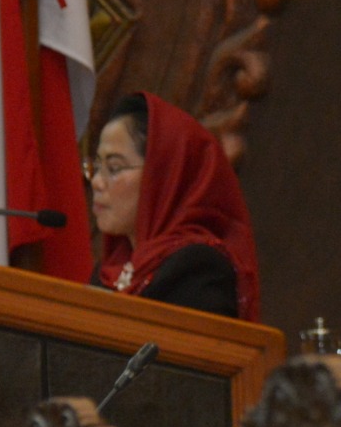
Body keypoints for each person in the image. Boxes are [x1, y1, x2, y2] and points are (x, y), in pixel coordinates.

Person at [89, 92, 260, 320]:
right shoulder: (111, 270)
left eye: (114, 168)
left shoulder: (197, 269)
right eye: (96, 166)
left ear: (163, 176)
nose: (97, 182)